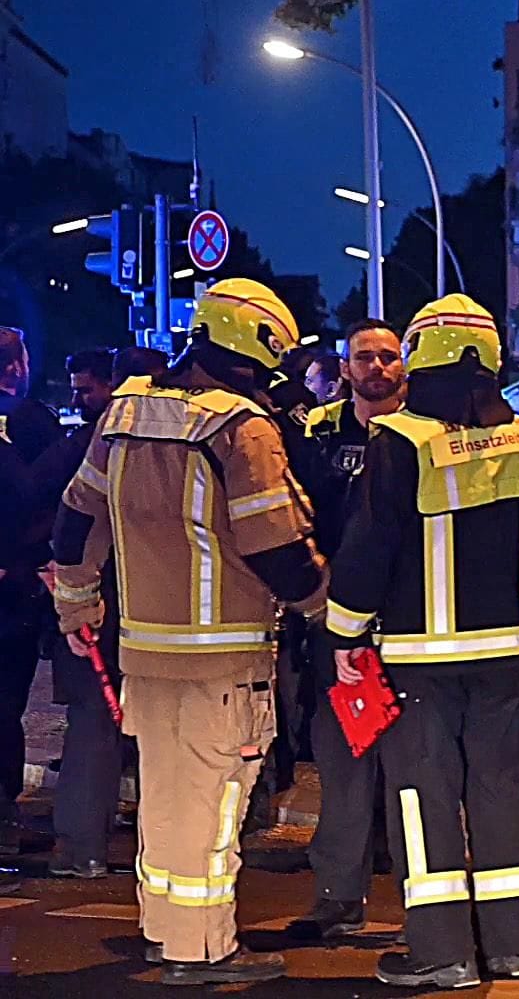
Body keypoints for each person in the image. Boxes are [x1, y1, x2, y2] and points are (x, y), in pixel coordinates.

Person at [51, 279, 328, 985]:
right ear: (257, 346)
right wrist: (333, 613)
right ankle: (201, 951)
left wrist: (78, 604)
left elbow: (75, 523)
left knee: (166, 800)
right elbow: (278, 551)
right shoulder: (241, 428)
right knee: (216, 807)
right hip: (225, 661)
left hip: (144, 654)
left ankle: (162, 927)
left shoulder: (123, 414)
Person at [323, 295, 519, 988]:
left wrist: (343, 631)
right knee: (503, 793)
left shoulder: (398, 440)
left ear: (420, 356)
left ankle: (441, 953)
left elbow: (370, 547)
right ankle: (516, 948)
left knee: (422, 803)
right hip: (504, 656)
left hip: (418, 662)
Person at [284, 319, 407, 942]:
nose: (378, 367)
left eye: (389, 356)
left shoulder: (425, 435)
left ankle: (427, 912)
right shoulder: (318, 434)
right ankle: (336, 898)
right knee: (344, 763)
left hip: (411, 628)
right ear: (346, 366)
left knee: (417, 772)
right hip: (338, 630)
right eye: (367, 357)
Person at [42, 348, 120, 880]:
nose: (77, 399)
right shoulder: (102, 447)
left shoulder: (88, 444)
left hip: (85, 600)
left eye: (85, 389)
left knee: (90, 725)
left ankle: (77, 842)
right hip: (103, 603)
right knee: (98, 724)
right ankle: (83, 844)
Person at [0, 325, 62, 853]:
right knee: (4, 699)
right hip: (13, 590)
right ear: (16, 369)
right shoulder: (32, 424)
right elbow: (57, 497)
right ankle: (2, 808)